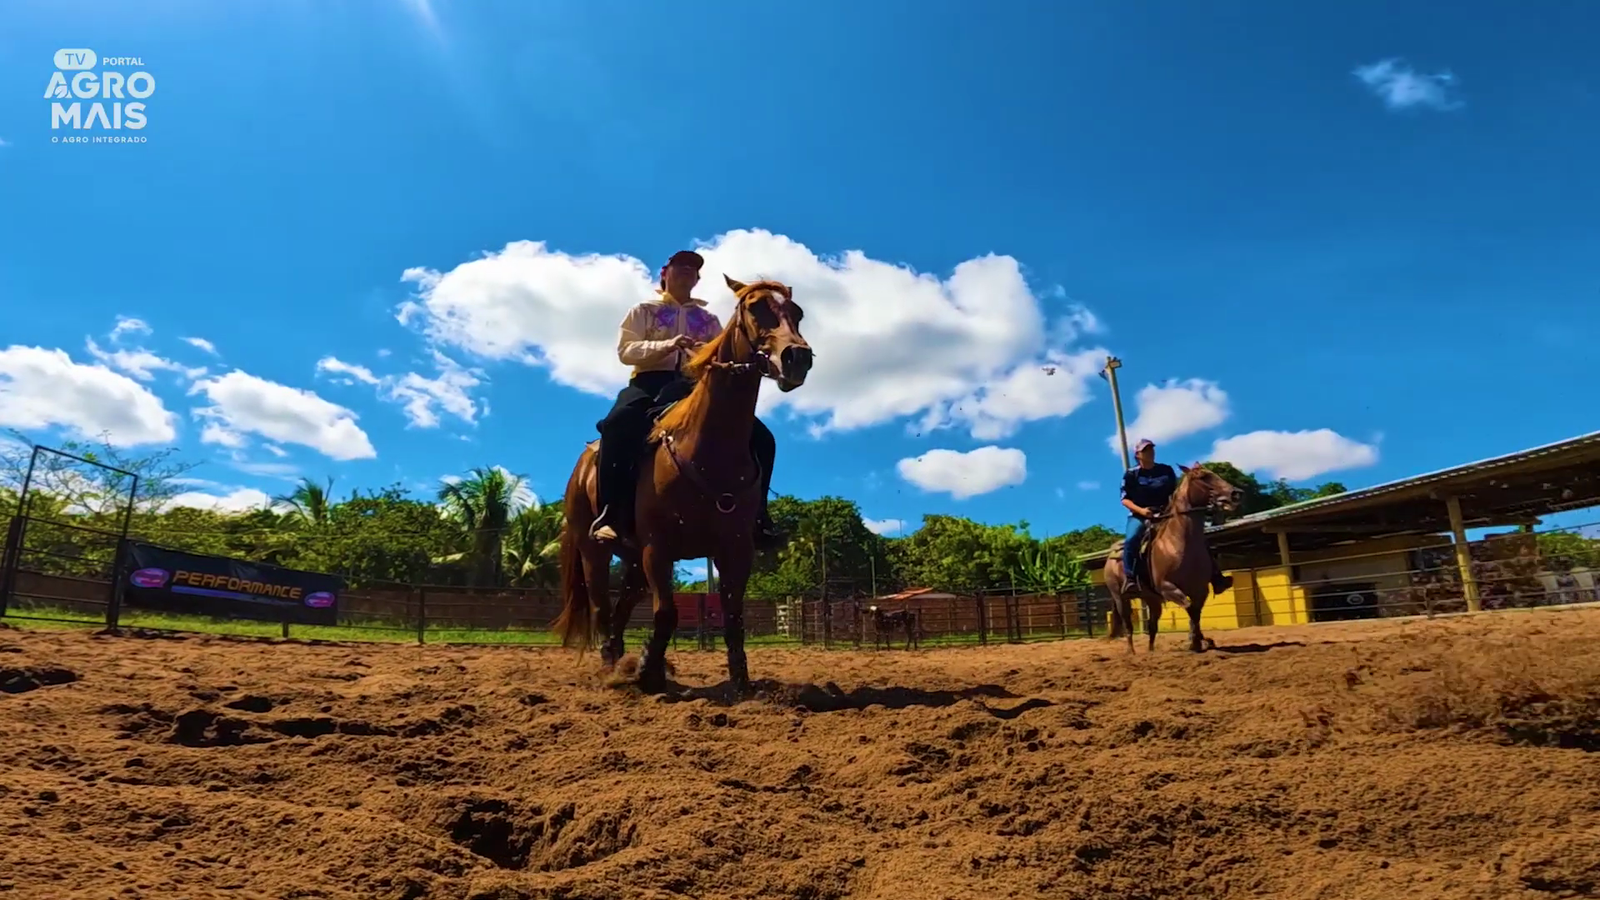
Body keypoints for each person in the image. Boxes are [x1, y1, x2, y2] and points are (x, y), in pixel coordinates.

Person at [589, 249, 782, 549]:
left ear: (697, 279)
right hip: (649, 382)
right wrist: (670, 344)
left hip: (695, 387)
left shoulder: (708, 320)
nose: (687, 271)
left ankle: (759, 517)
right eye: (680, 266)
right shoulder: (642, 309)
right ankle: (611, 514)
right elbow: (626, 351)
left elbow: (723, 357)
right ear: (664, 273)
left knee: (763, 438)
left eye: (693, 269)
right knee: (618, 423)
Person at [1119, 438, 1233, 594]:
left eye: (1151, 449)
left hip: (1167, 513)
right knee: (1132, 540)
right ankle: (1130, 579)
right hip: (1141, 515)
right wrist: (1142, 511)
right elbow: (1124, 499)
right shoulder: (1131, 474)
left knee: (1197, 537)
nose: (1150, 452)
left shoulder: (1166, 470)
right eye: (1146, 450)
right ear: (1138, 454)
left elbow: (1176, 493)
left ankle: (1216, 577)